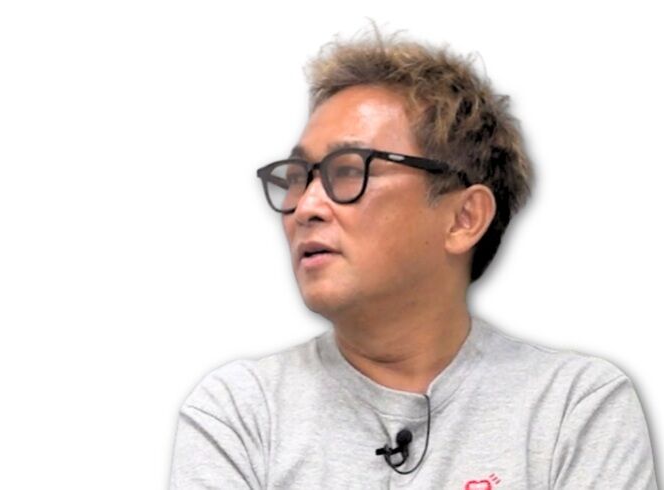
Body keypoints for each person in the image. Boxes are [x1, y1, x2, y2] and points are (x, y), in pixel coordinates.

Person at [168, 27, 659, 489]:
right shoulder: (240, 413)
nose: (306, 206)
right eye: (298, 177)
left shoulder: (574, 407)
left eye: (348, 170)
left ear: (464, 218)